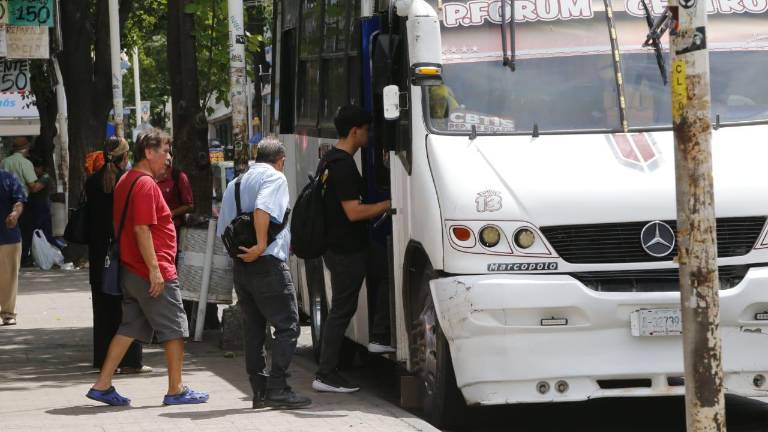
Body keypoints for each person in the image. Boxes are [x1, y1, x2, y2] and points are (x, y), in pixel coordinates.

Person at [86, 129, 208, 407]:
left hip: (133, 269)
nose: (169, 158)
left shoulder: (127, 180)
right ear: (149, 152)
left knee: (129, 327)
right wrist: (155, 269)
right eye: (165, 151)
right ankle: (176, 390)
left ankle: (102, 384)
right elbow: (141, 228)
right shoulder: (145, 184)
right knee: (175, 328)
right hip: (151, 271)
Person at [217, 137, 311, 409]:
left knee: (254, 330)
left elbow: (224, 227)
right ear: (280, 160)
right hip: (267, 264)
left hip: (242, 267)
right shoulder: (275, 178)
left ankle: (259, 392)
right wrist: (259, 245)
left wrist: (242, 255)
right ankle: (278, 387)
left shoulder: (234, 184)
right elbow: (262, 209)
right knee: (288, 325)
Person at [312, 105, 391, 393]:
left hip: (349, 246)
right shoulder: (342, 165)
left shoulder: (331, 160)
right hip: (345, 250)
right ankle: (325, 374)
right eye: (367, 130)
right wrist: (387, 205)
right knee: (342, 310)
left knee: (384, 268)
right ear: (355, 131)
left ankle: (380, 334)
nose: (369, 135)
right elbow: (353, 212)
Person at [85, 137, 148, 373]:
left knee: (102, 309)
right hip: (124, 251)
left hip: (98, 253)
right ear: (125, 155)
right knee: (129, 307)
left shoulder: (91, 182)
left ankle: (102, 360)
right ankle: (131, 361)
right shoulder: (128, 181)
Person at [157, 163, 219, 330]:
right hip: (152, 234)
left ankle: (177, 322)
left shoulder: (178, 176)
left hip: (173, 234)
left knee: (173, 277)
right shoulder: (148, 175)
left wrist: (171, 213)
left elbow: (190, 204)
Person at [1, 137, 45, 266]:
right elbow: (33, 186)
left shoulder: (4, 162)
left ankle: (7, 259)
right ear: (25, 149)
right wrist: (45, 178)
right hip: (22, 202)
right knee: (25, 231)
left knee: (7, 231)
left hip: (5, 202)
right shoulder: (25, 163)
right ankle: (23, 259)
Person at [0, 168, 25, 326]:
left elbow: (19, 200)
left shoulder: (8, 178)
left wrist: (15, 214)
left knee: (9, 277)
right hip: (8, 236)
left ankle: (8, 313)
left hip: (8, 236)